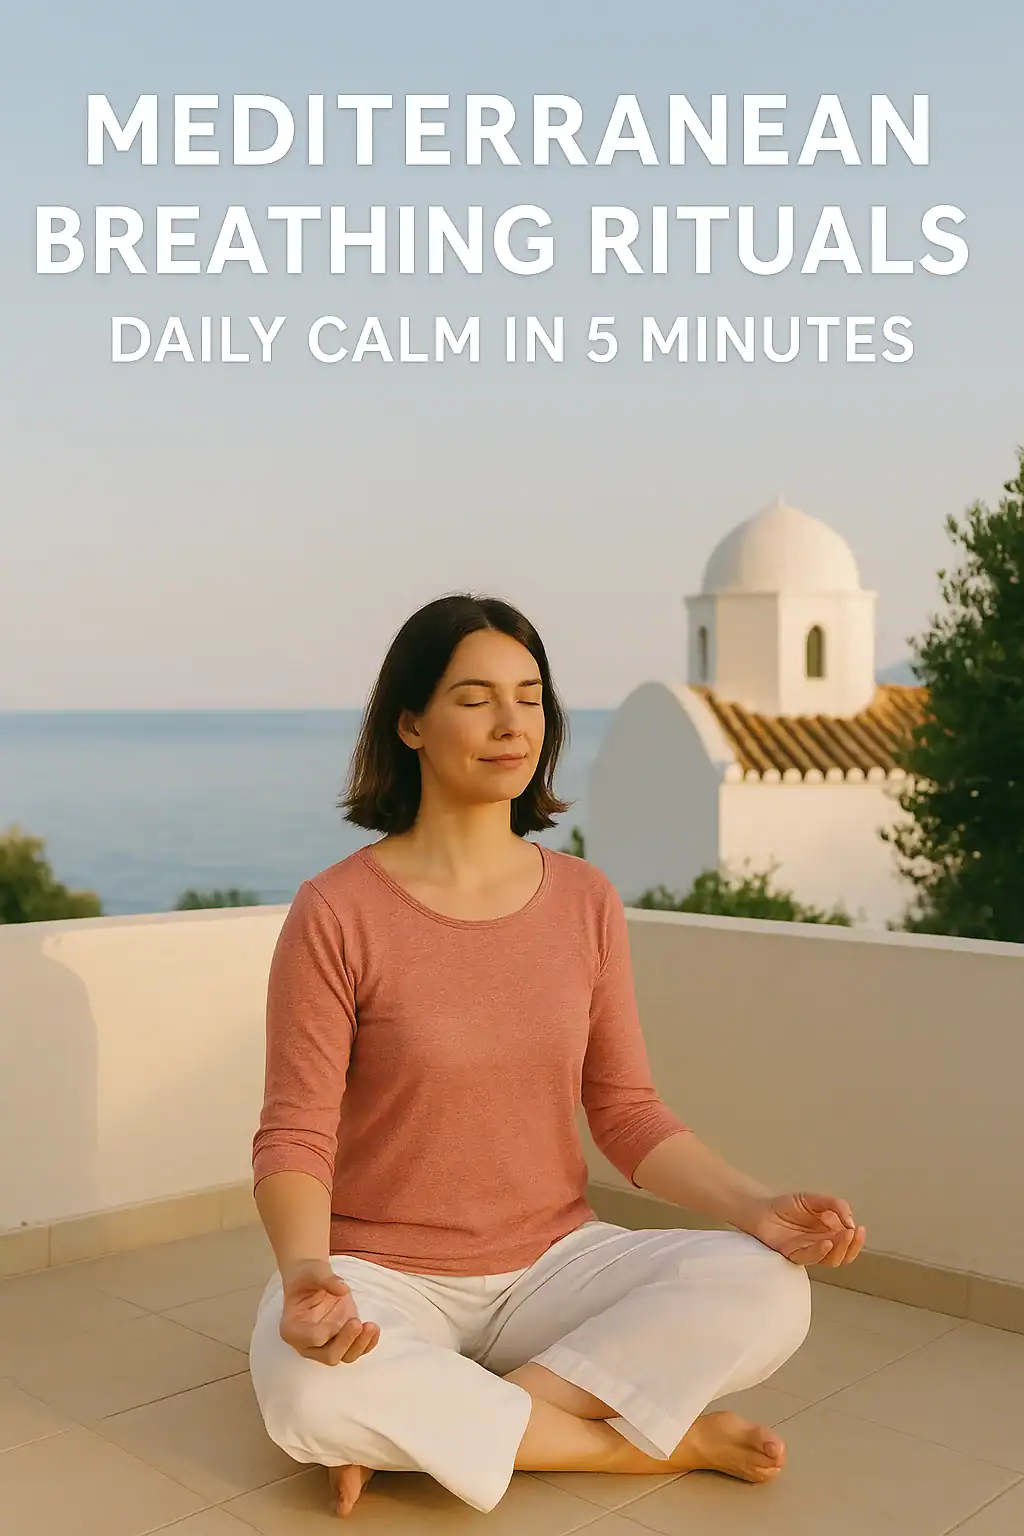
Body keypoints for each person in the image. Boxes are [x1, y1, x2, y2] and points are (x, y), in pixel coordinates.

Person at [248, 593, 865, 1521]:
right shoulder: (337, 911)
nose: (512, 724)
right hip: (382, 1271)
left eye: (530, 697)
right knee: (305, 1391)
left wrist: (756, 1207)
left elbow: (626, 1110)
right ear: (410, 723)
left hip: (554, 1264)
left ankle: (439, 1429)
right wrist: (305, 1274)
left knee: (771, 1289)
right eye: (474, 699)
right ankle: (644, 1446)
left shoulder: (584, 900)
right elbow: (295, 1132)